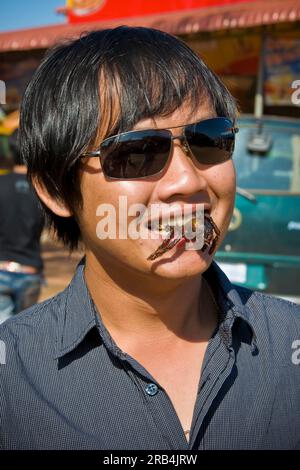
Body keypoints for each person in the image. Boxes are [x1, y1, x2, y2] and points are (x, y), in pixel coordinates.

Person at [0, 26, 299, 450]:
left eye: (209, 140)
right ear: (54, 188)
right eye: (137, 151)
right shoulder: (11, 379)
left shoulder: (289, 345)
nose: (187, 180)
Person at [0, 129, 44, 324]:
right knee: (25, 338)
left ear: (10, 151)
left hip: (1, 269)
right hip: (30, 271)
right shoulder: (43, 191)